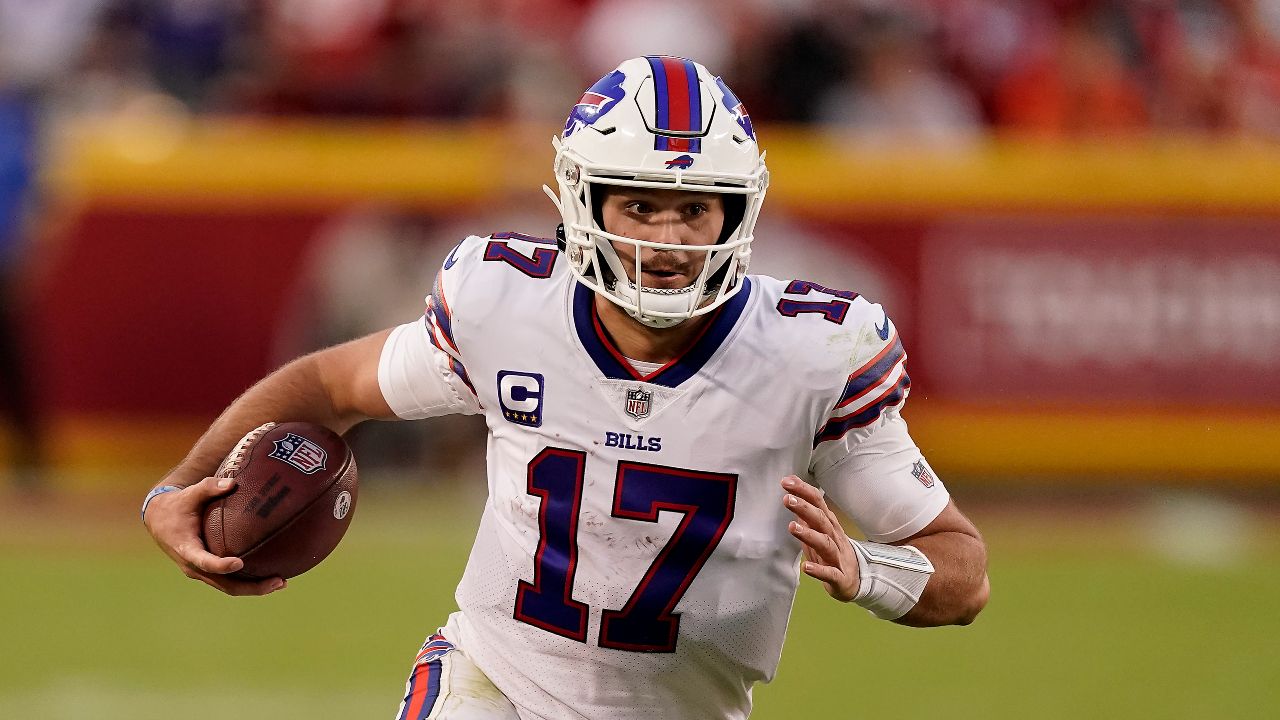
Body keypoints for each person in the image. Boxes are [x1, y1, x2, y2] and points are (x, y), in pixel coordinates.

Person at [143, 56, 989, 720]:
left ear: (738, 216)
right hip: (492, 686)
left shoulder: (814, 354)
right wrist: (181, 487)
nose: (667, 239)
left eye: (695, 210)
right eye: (640, 205)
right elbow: (328, 385)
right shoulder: (505, 304)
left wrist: (869, 570)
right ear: (586, 203)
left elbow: (964, 572)